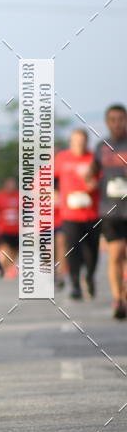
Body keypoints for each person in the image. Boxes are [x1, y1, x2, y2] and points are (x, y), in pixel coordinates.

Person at [88, 104, 127, 319]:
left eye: (121, 119)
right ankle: (117, 298)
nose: (117, 123)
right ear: (107, 122)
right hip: (109, 209)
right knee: (116, 253)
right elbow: (92, 172)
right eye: (113, 119)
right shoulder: (102, 146)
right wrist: (88, 180)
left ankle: (125, 293)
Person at [55, 129, 100, 300]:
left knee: (91, 251)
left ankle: (89, 276)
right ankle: (75, 284)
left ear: (87, 142)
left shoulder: (94, 158)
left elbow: (101, 178)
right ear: (71, 142)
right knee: (72, 249)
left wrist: (94, 184)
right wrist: (54, 191)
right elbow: (52, 178)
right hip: (70, 214)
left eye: (82, 141)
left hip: (92, 212)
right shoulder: (62, 158)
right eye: (76, 141)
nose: (79, 145)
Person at [0, 178, 20, 279]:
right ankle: (0, 267)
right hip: (4, 229)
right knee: (5, 248)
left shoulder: (19, 196)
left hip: (17, 229)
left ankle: (6, 268)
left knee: (15, 250)